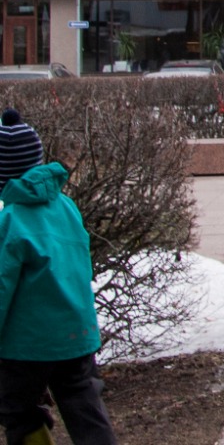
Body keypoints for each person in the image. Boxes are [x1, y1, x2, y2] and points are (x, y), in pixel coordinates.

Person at [0, 110, 119, 445]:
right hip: (76, 336)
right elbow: (80, 264)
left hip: (26, 346)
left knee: (18, 411)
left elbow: (1, 286)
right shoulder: (66, 207)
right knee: (86, 409)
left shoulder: (10, 220)